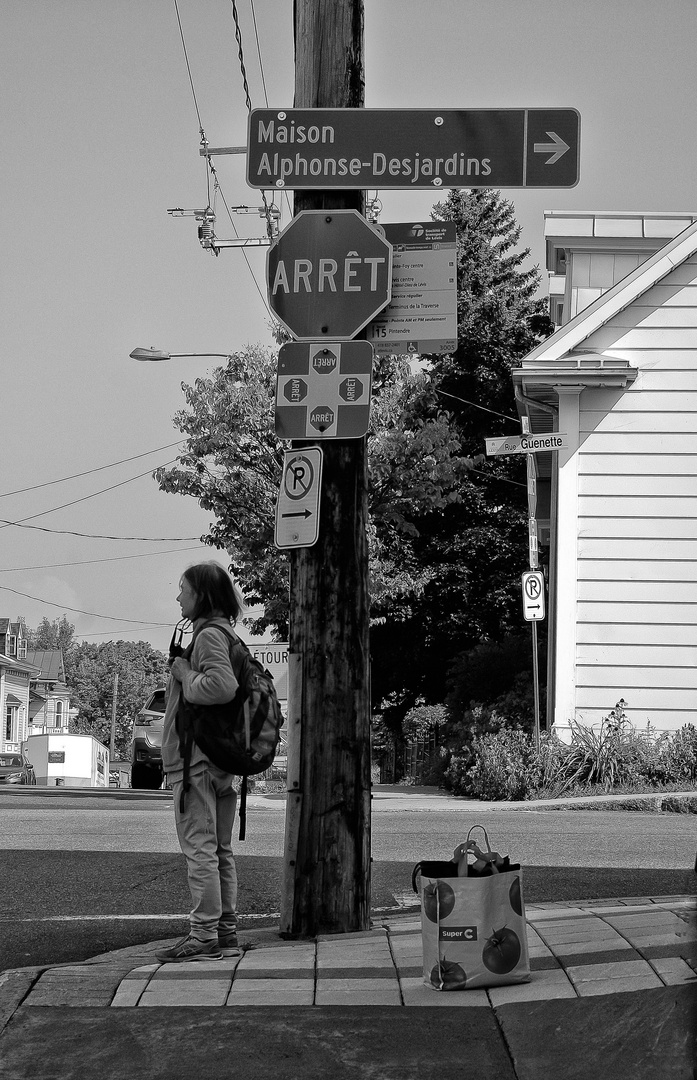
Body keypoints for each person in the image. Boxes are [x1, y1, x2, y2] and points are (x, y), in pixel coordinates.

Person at [155, 561, 243, 963]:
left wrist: (184, 671)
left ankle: (203, 935)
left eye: (183, 590)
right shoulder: (228, 634)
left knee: (200, 851)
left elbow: (221, 687)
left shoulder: (207, 637)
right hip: (221, 761)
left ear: (201, 597)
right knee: (220, 849)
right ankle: (225, 932)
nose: (178, 597)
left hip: (197, 762)